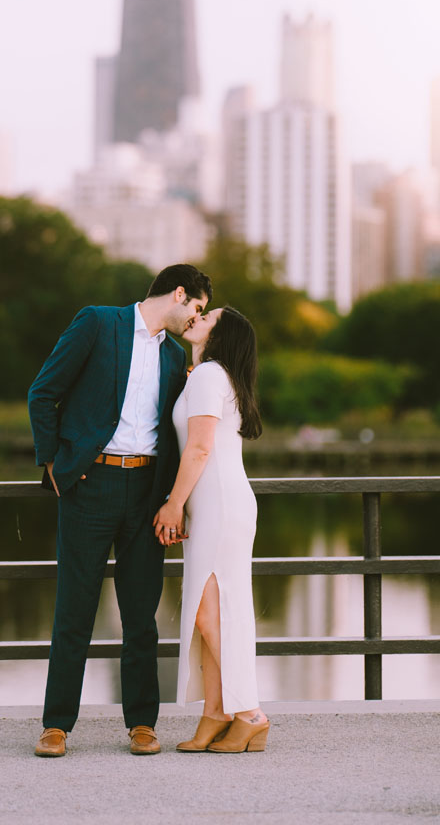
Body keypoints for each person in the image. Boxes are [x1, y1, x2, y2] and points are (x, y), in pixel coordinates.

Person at [28, 263, 213, 757]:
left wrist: (175, 500)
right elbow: (43, 392)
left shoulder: (176, 357)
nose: (196, 318)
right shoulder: (97, 322)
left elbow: (184, 432)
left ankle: (142, 724)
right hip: (89, 484)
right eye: (196, 308)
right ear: (178, 293)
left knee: (141, 615)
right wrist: (52, 464)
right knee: (75, 609)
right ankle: (56, 726)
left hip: (148, 494)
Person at [153, 305, 269, 753]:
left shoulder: (207, 377)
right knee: (216, 616)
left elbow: (200, 449)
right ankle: (216, 715)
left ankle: (251, 714)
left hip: (217, 505)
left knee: (209, 615)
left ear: (221, 335)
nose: (196, 317)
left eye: (208, 317)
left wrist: (173, 504)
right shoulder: (211, 375)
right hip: (220, 504)